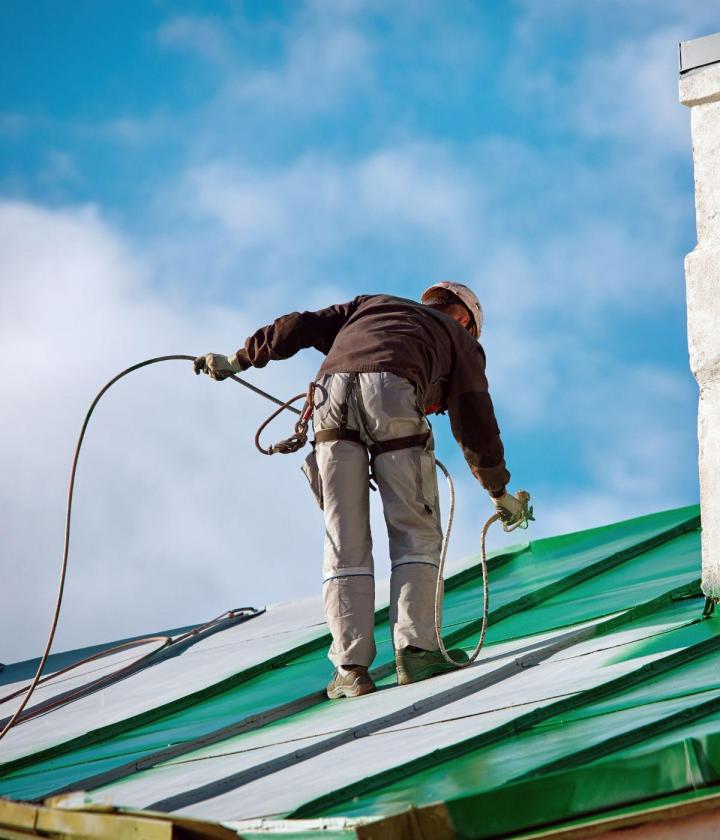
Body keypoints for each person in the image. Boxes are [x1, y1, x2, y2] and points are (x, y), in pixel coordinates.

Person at [195, 282, 528, 698]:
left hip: (328, 399)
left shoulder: (372, 306)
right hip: (393, 394)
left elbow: (297, 326)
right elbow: (475, 421)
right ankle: (417, 652)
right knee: (415, 531)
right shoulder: (460, 339)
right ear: (464, 319)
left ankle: (350, 670)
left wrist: (237, 360)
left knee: (343, 536)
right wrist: (498, 492)